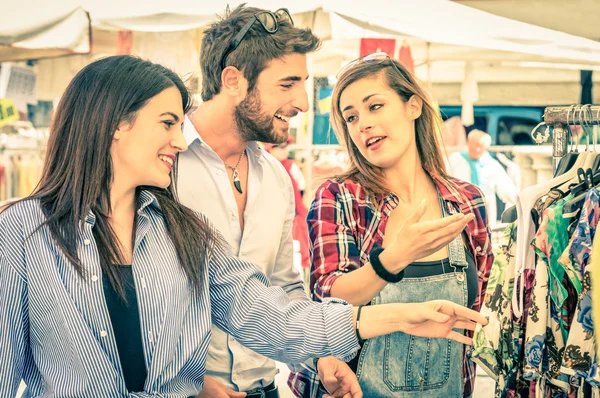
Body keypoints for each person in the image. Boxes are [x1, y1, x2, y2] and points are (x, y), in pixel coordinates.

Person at [0, 55, 488, 397]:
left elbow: (272, 316)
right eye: (167, 123)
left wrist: (397, 316)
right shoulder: (22, 234)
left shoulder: (182, 232)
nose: (179, 139)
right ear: (114, 124)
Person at [289, 53, 494, 397]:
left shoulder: (466, 200)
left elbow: (478, 312)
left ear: (413, 106)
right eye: (350, 117)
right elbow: (328, 297)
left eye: (375, 106)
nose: (362, 124)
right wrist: (394, 259)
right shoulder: (339, 196)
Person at [447, 129, 517, 225]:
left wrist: (514, 200)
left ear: (486, 148)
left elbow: (505, 185)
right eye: (474, 144)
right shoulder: (455, 158)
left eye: (480, 146)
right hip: (461, 205)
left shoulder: (492, 164)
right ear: (468, 143)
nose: (476, 149)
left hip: (484, 207)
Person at [263, 137, 311, 272]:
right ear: (270, 149)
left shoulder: (291, 167)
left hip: (292, 217)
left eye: (285, 146)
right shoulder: (263, 167)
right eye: (280, 146)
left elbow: (301, 189)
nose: (284, 150)